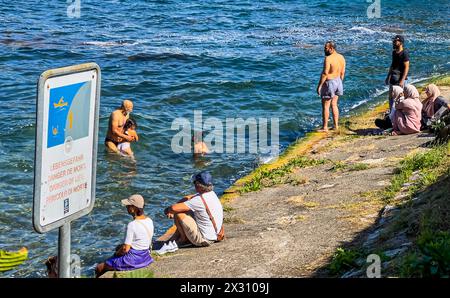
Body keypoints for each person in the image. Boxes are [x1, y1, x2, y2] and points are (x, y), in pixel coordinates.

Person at [156, 171, 223, 254]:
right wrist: (178, 204)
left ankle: (183, 240)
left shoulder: (198, 200)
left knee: (179, 213)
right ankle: (176, 237)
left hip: (204, 239)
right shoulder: (211, 194)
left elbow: (174, 208)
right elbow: (189, 197)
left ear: (197, 185)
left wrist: (168, 210)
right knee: (186, 209)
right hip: (215, 234)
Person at [95, 194, 154, 278]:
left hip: (134, 260)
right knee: (118, 247)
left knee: (99, 268)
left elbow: (125, 249)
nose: (126, 207)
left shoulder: (132, 225)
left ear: (133, 208)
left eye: (128, 206)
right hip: (145, 256)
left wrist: (116, 253)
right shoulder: (149, 220)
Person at [317, 41, 346, 132]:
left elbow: (325, 73)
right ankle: (335, 125)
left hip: (330, 82)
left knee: (325, 105)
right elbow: (342, 72)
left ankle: (325, 127)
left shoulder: (328, 58)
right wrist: (340, 81)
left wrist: (319, 86)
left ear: (331, 49)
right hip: (338, 81)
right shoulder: (341, 57)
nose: (324, 50)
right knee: (334, 104)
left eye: (326, 48)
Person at [385, 35, 410, 111]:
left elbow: (407, 67)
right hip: (393, 79)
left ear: (401, 43)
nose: (394, 42)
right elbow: (392, 65)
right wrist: (388, 77)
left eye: (396, 41)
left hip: (400, 80)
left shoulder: (404, 53)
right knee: (391, 97)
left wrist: (402, 80)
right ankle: (391, 114)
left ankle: (399, 113)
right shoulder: (394, 52)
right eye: (394, 41)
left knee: (399, 98)